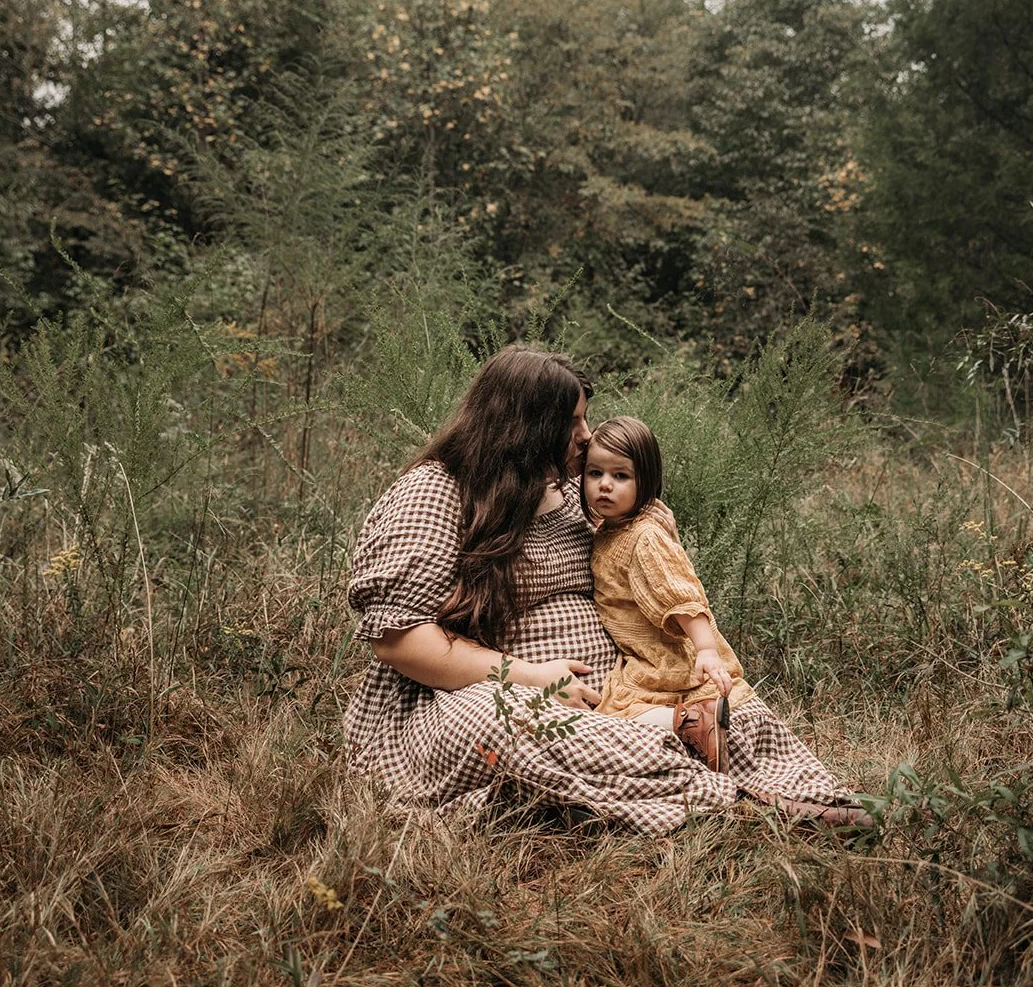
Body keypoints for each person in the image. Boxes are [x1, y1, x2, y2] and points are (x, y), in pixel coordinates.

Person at [344, 345, 868, 834]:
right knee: (509, 721)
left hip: (614, 690)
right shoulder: (436, 491)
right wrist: (532, 678)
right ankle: (732, 801)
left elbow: (636, 561)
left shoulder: (576, 488)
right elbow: (399, 642)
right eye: (571, 423)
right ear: (526, 427)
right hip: (468, 695)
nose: (585, 434)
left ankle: (806, 796)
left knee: (722, 701)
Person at [582, 416, 751, 774]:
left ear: (646, 482)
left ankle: (691, 723)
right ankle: (694, 724)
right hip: (643, 650)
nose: (605, 486)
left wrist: (705, 649)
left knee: (618, 713)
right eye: (595, 473)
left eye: (620, 476)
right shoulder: (611, 530)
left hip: (662, 654)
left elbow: (678, 594)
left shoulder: (644, 537)